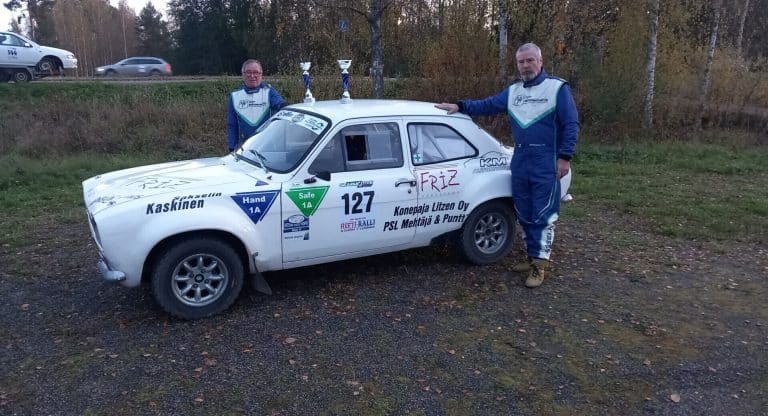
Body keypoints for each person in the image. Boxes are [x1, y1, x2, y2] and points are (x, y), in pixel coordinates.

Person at [435, 42, 579, 288]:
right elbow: (487, 105)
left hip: (546, 160)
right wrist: (460, 106)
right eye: (521, 62)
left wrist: (565, 156)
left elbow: (571, 124)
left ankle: (539, 266)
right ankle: (531, 255)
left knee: (543, 213)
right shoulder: (513, 92)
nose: (525, 65)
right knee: (523, 212)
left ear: (540, 61)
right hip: (521, 159)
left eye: (530, 60)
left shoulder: (557, 88)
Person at [227, 59, 286, 152]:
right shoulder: (234, 96)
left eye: (256, 72)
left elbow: (281, 105)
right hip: (245, 145)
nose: (252, 76)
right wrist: (231, 147)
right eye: (248, 72)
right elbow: (232, 125)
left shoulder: (269, 92)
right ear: (243, 74)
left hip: (268, 145)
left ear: (261, 74)